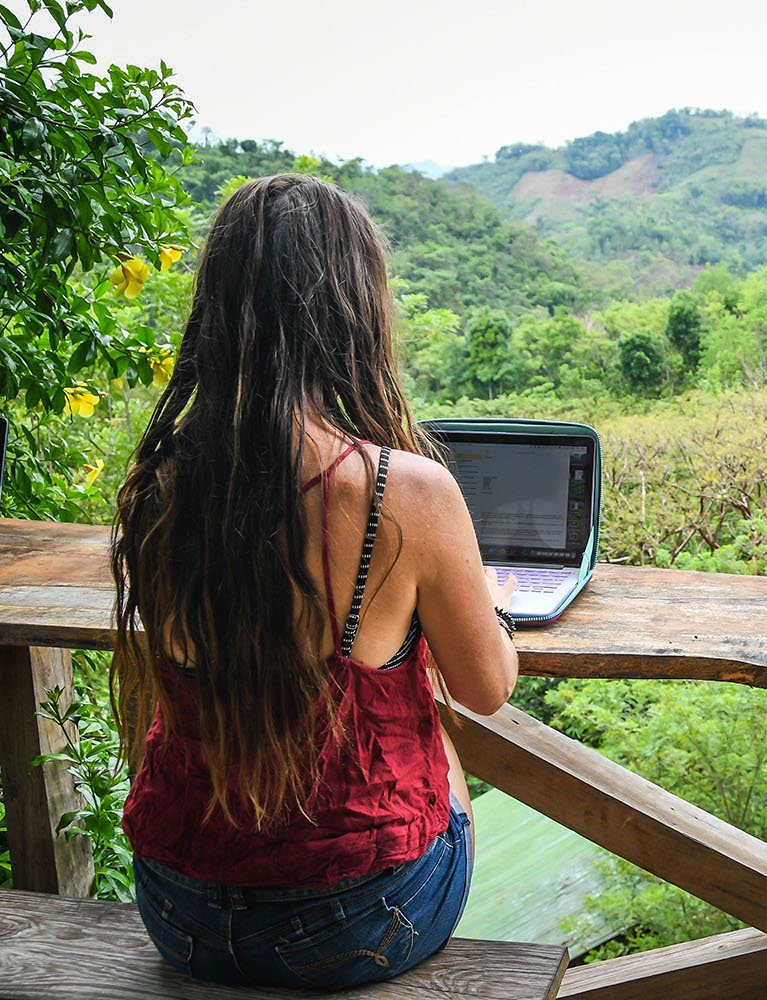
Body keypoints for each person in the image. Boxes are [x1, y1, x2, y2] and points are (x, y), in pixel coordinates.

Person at [110, 173, 518, 989]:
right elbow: (485, 689)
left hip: (177, 909)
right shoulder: (407, 491)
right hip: (356, 923)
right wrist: (490, 613)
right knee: (432, 736)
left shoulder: (161, 486)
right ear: (351, 312)